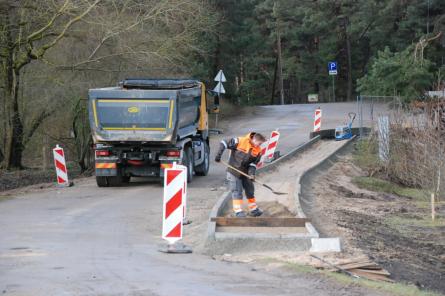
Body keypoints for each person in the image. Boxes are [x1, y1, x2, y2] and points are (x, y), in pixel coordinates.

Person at [215, 132, 267, 217]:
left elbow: (253, 165)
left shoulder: (258, 151)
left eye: (261, 144)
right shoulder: (240, 141)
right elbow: (224, 142)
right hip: (233, 171)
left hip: (245, 173)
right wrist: (218, 155)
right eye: (259, 143)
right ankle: (238, 211)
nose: (259, 145)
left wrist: (251, 174)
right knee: (237, 190)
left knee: (250, 190)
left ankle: (253, 209)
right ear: (254, 139)